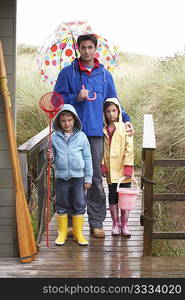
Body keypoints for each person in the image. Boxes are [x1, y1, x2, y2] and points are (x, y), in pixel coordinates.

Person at [53, 33, 134, 238]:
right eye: (83, 47)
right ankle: (71, 222)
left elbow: (113, 101)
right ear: (78, 49)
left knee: (95, 179)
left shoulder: (105, 75)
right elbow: (55, 101)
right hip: (71, 134)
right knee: (72, 176)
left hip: (97, 133)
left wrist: (125, 118)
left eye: (90, 47)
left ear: (95, 49)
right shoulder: (67, 73)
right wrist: (75, 97)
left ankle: (96, 223)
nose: (87, 51)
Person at [47, 104, 93, 246]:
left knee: (79, 203)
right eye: (63, 121)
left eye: (69, 120)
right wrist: (50, 157)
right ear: (58, 122)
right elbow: (51, 160)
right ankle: (62, 233)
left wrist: (88, 177)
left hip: (78, 177)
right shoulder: (54, 137)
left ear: (75, 120)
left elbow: (87, 158)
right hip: (61, 177)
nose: (67, 123)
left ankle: (78, 233)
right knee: (62, 204)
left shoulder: (81, 137)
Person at [102, 98, 134, 237]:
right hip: (110, 169)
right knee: (113, 195)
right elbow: (103, 149)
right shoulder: (103, 129)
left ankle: (124, 224)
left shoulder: (124, 127)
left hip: (123, 168)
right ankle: (115, 223)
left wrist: (128, 166)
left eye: (114, 110)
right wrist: (102, 164)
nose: (111, 114)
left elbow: (129, 148)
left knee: (124, 196)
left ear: (119, 111)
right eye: (108, 111)